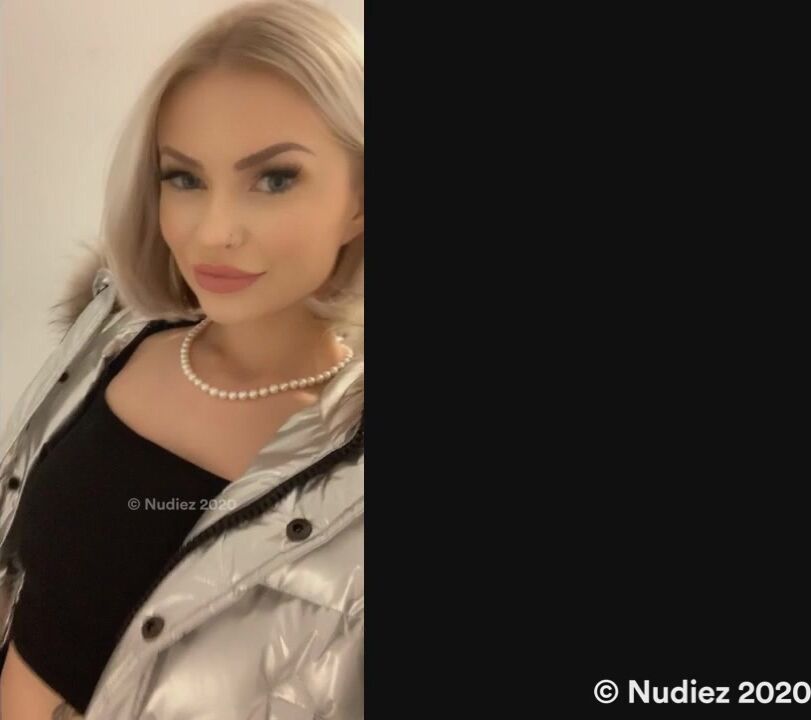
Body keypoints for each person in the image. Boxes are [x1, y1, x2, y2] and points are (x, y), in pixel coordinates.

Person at [0, 1, 364, 717]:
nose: (212, 231)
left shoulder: (352, 479)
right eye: (184, 178)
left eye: (275, 179)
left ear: (359, 201)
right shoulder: (113, 337)